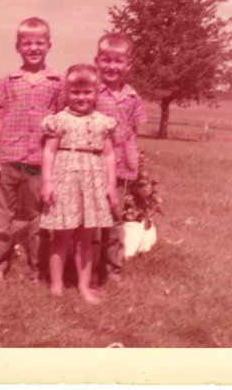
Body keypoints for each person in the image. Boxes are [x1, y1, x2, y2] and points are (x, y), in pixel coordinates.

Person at [0, 17, 62, 281]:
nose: (33, 48)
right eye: (27, 43)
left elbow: (62, 122)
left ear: (48, 45)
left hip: (39, 163)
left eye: (39, 43)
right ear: (18, 46)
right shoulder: (9, 80)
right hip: (8, 158)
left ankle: (37, 267)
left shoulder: (57, 82)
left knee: (37, 218)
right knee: (1, 215)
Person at [40, 64, 117, 304]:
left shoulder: (103, 122)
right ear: (67, 92)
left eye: (87, 92)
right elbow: (49, 152)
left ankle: (84, 287)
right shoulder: (59, 120)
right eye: (75, 92)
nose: (81, 97)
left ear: (96, 92)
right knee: (60, 237)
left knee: (86, 239)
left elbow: (109, 155)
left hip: (92, 182)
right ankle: (56, 285)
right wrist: (47, 182)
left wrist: (111, 185)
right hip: (65, 180)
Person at [93, 33, 147, 284]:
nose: (112, 66)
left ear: (128, 65)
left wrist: (132, 165)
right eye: (106, 60)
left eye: (118, 61)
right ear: (97, 61)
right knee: (91, 218)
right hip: (92, 165)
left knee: (115, 219)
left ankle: (113, 269)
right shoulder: (91, 92)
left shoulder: (133, 98)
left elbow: (133, 134)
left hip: (120, 168)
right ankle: (89, 267)